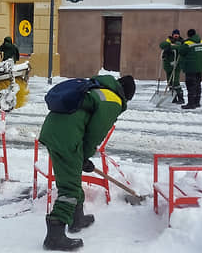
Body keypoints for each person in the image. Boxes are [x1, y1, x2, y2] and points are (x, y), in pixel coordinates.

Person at [38, 75, 136, 251]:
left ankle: (77, 219)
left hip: (55, 131)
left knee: (71, 178)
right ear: (127, 96)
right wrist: (85, 156)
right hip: (67, 137)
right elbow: (95, 134)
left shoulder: (97, 88)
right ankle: (55, 234)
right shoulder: (112, 101)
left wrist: (83, 158)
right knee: (70, 188)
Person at [179, 29, 202, 109]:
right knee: (197, 85)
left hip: (190, 68)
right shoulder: (200, 41)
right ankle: (197, 102)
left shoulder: (187, 43)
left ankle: (191, 104)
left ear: (188, 35)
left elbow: (181, 51)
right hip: (199, 68)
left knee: (191, 86)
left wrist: (182, 43)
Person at [159, 29, 185, 104]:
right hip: (168, 65)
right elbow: (162, 45)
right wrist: (170, 45)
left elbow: (180, 47)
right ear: (172, 34)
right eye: (175, 34)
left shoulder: (181, 42)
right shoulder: (168, 41)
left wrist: (171, 47)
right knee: (169, 82)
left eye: (177, 34)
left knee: (175, 81)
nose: (176, 35)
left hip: (176, 65)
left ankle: (181, 98)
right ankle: (173, 98)